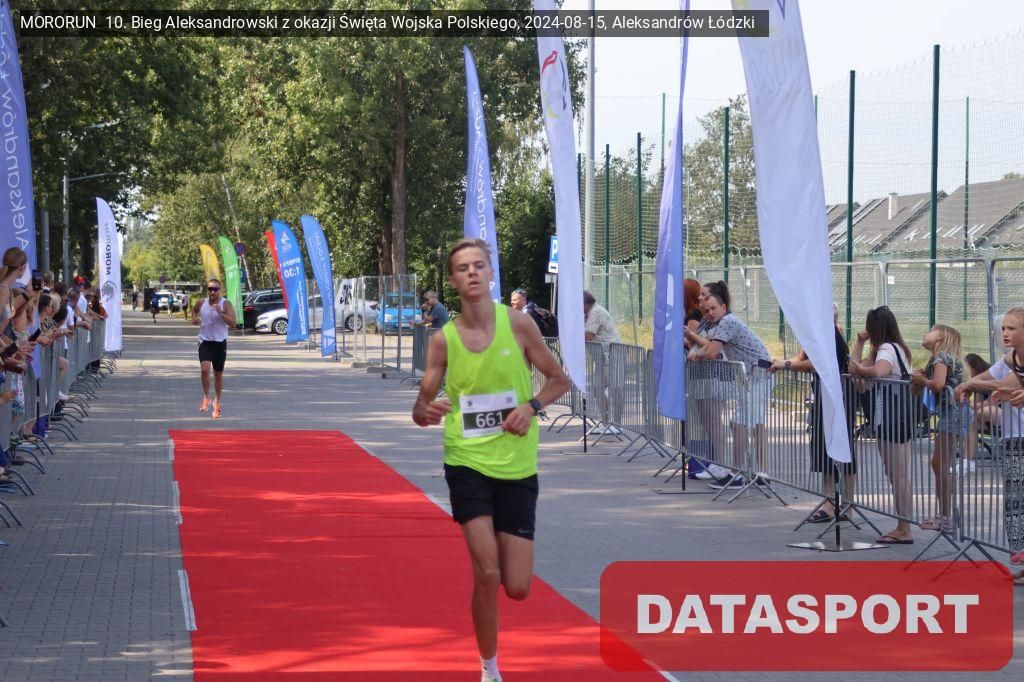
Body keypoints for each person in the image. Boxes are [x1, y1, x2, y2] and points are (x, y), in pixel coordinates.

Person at [412, 238, 569, 682]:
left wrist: (531, 408)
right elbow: (420, 409)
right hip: (466, 462)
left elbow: (559, 380)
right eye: (463, 268)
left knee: (516, 587)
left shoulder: (518, 325)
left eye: (479, 265)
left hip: (517, 465)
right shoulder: (443, 341)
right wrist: (427, 411)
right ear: (453, 280)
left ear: (490, 273)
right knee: (486, 571)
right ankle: (490, 669)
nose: (472, 273)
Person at [771, 304, 857, 523]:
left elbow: (818, 363)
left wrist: (786, 365)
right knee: (822, 448)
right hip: (823, 393)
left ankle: (845, 503)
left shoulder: (829, 332)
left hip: (838, 394)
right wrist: (782, 363)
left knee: (842, 448)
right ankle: (829, 501)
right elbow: (803, 359)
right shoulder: (818, 332)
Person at [955, 307, 1024, 574]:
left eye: (1011, 328)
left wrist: (974, 385)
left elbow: (1005, 384)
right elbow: (992, 378)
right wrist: (970, 384)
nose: (1004, 333)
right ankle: (1020, 556)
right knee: (1014, 503)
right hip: (1012, 437)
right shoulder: (1011, 358)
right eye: (1003, 328)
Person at [688, 281, 772, 489]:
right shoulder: (720, 324)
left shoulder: (727, 322)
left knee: (739, 423)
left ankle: (737, 474)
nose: (710, 313)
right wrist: (699, 353)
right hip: (751, 376)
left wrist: (698, 354)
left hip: (760, 375)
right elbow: (710, 348)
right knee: (751, 423)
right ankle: (758, 473)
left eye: (713, 308)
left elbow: (710, 352)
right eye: (707, 310)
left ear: (724, 307)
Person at [849, 306, 916, 545]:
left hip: (892, 417)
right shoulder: (890, 348)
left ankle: (904, 528)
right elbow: (853, 368)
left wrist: (861, 369)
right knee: (896, 474)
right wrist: (859, 343)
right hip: (890, 416)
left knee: (898, 475)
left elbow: (878, 371)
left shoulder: (887, 349)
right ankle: (902, 525)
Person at [911, 324, 972, 532]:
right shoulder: (937, 359)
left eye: (930, 331)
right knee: (940, 465)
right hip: (953, 413)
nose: (925, 333)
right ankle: (946, 514)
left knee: (940, 465)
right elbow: (916, 391)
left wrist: (924, 381)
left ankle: (946, 517)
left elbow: (937, 385)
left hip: (954, 413)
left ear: (940, 337)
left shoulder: (942, 357)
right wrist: (919, 380)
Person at [191, 278, 236, 419]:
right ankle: (206, 397)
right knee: (205, 369)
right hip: (204, 341)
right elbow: (194, 310)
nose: (212, 292)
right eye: (210, 289)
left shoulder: (226, 304)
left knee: (218, 375)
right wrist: (194, 318)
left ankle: (217, 403)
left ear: (220, 290)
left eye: (215, 289)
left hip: (220, 342)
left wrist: (221, 312)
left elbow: (233, 323)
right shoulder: (202, 302)